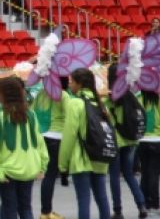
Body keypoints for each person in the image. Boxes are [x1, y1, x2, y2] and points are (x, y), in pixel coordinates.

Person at [0, 76, 49, 219]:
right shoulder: (30, 114)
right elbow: (39, 141)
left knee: (9, 208)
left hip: (8, 170)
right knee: (25, 207)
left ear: (4, 94)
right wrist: (42, 165)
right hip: (29, 168)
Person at [59, 68, 111, 219]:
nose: (69, 84)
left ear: (79, 84)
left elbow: (69, 136)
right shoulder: (101, 104)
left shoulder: (75, 103)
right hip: (100, 158)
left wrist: (63, 165)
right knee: (102, 197)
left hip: (81, 159)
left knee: (83, 200)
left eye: (71, 81)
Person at [105, 65, 149, 219]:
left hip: (116, 141)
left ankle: (118, 210)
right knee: (129, 174)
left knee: (114, 176)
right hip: (132, 141)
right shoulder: (131, 95)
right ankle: (141, 205)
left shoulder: (111, 98)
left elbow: (107, 119)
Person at [31, 72, 70, 219]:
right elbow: (70, 116)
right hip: (57, 138)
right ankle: (46, 212)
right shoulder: (63, 95)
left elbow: (32, 113)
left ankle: (47, 210)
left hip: (42, 137)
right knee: (50, 176)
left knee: (48, 175)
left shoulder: (40, 94)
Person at [138, 90, 160, 213]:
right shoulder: (158, 99)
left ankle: (144, 201)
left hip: (142, 140)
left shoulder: (139, 98)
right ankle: (154, 202)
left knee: (145, 172)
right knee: (154, 173)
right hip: (156, 140)